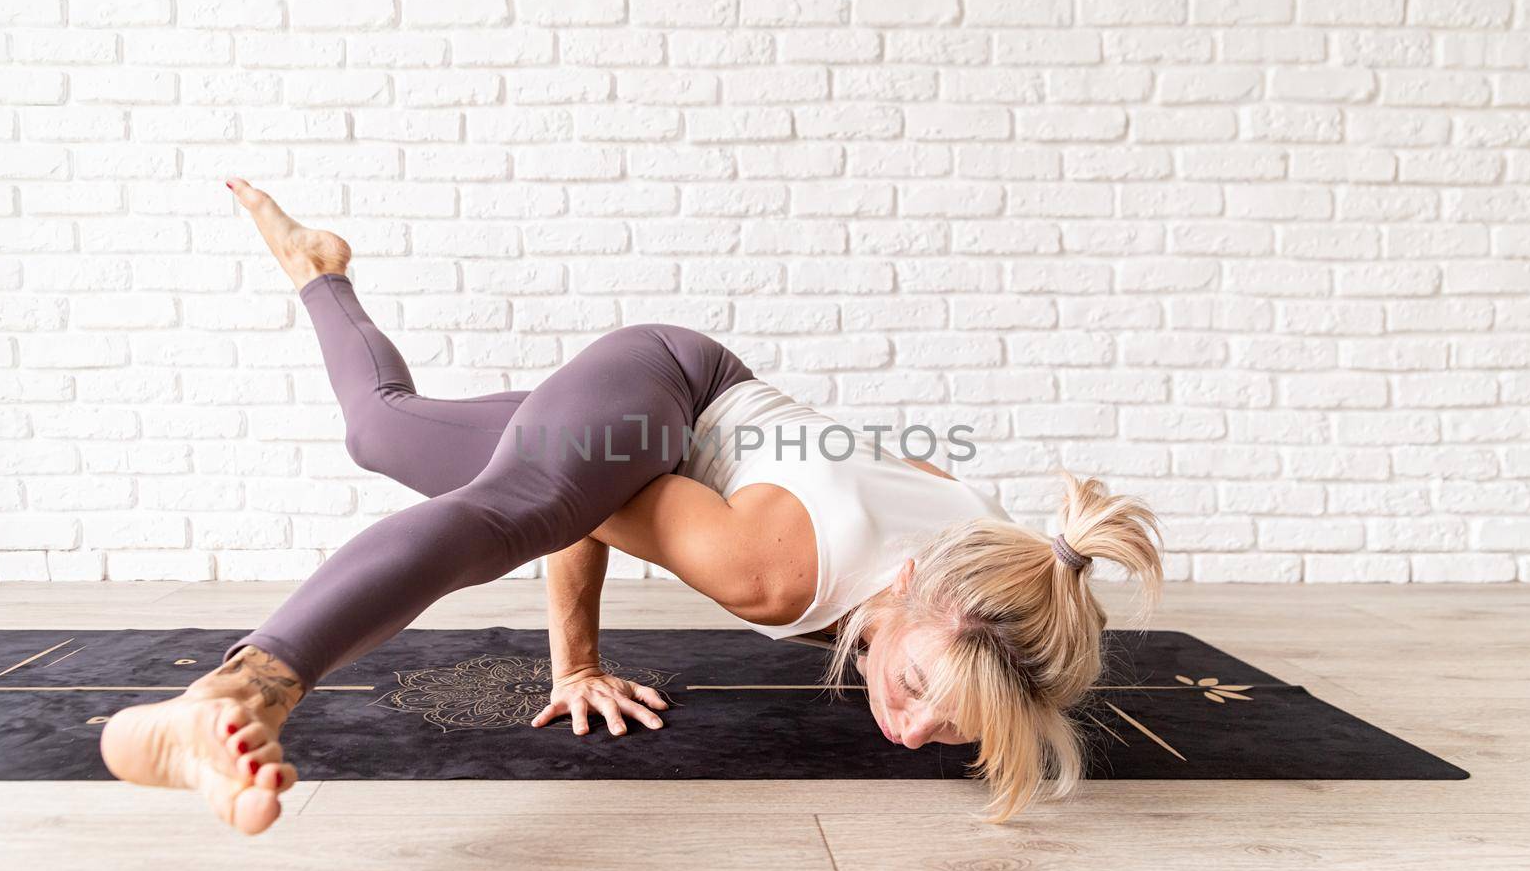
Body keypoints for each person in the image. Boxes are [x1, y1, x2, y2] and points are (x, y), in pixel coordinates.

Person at [99, 180, 1163, 836]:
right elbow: (588, 505)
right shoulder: (775, 570)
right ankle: (237, 697)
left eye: (954, 729)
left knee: (381, 429)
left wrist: (987, 699)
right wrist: (576, 664)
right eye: (923, 686)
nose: (915, 726)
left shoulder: (1006, 560)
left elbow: (1013, 648)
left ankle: (319, 272)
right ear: (901, 585)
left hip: (712, 430)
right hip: (669, 385)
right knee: (512, 508)